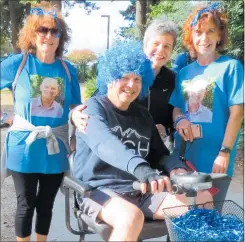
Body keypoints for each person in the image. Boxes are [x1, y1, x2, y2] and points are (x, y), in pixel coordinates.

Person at [73, 40, 212, 242]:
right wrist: (143, 170)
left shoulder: (143, 114)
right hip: (98, 190)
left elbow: (159, 154)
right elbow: (105, 144)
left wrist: (175, 168)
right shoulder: (92, 109)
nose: (131, 85)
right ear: (110, 78)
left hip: (141, 190)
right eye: (124, 77)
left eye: (137, 79)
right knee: (131, 218)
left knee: (202, 200)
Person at [0, 1, 85, 241]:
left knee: (46, 206)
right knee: (25, 206)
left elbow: (74, 105)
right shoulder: (18, 64)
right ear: (32, 34)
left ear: (60, 37)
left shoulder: (68, 70)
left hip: (55, 148)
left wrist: (77, 117)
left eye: (54, 31)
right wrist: (5, 117)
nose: (48, 36)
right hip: (23, 147)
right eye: (42, 30)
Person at [169, 3, 244, 202]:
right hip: (184, 158)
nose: (204, 38)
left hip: (215, 159)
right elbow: (177, 107)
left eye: (211, 31)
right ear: (191, 37)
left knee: (209, 219)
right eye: (198, 32)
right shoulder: (184, 73)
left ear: (219, 35)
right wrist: (179, 121)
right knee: (181, 217)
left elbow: (237, 113)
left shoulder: (231, 67)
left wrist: (225, 152)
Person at [72, 19, 178, 151]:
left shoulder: (173, 80)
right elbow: (96, 103)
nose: (161, 50)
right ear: (145, 46)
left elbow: (177, 115)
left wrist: (166, 128)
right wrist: (74, 115)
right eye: (156, 44)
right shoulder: (121, 71)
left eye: (167, 46)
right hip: (117, 147)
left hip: (153, 149)